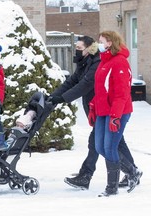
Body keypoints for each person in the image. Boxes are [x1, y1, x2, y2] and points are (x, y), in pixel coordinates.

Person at [48, 35, 141, 191]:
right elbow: (72, 81)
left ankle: (88, 175)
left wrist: (63, 99)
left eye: (78, 48)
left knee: (98, 144)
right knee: (114, 143)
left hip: (106, 110)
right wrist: (54, 96)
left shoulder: (99, 61)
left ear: (88, 48)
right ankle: (132, 172)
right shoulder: (87, 61)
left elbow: (86, 84)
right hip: (97, 108)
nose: (76, 51)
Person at [88, 31, 142, 196]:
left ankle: (111, 188)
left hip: (117, 112)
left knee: (109, 147)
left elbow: (122, 93)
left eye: (101, 41)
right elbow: (101, 89)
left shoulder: (119, 63)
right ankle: (132, 172)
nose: (99, 44)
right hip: (103, 111)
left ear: (110, 42)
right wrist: (93, 107)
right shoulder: (105, 62)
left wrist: (116, 116)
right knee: (100, 147)